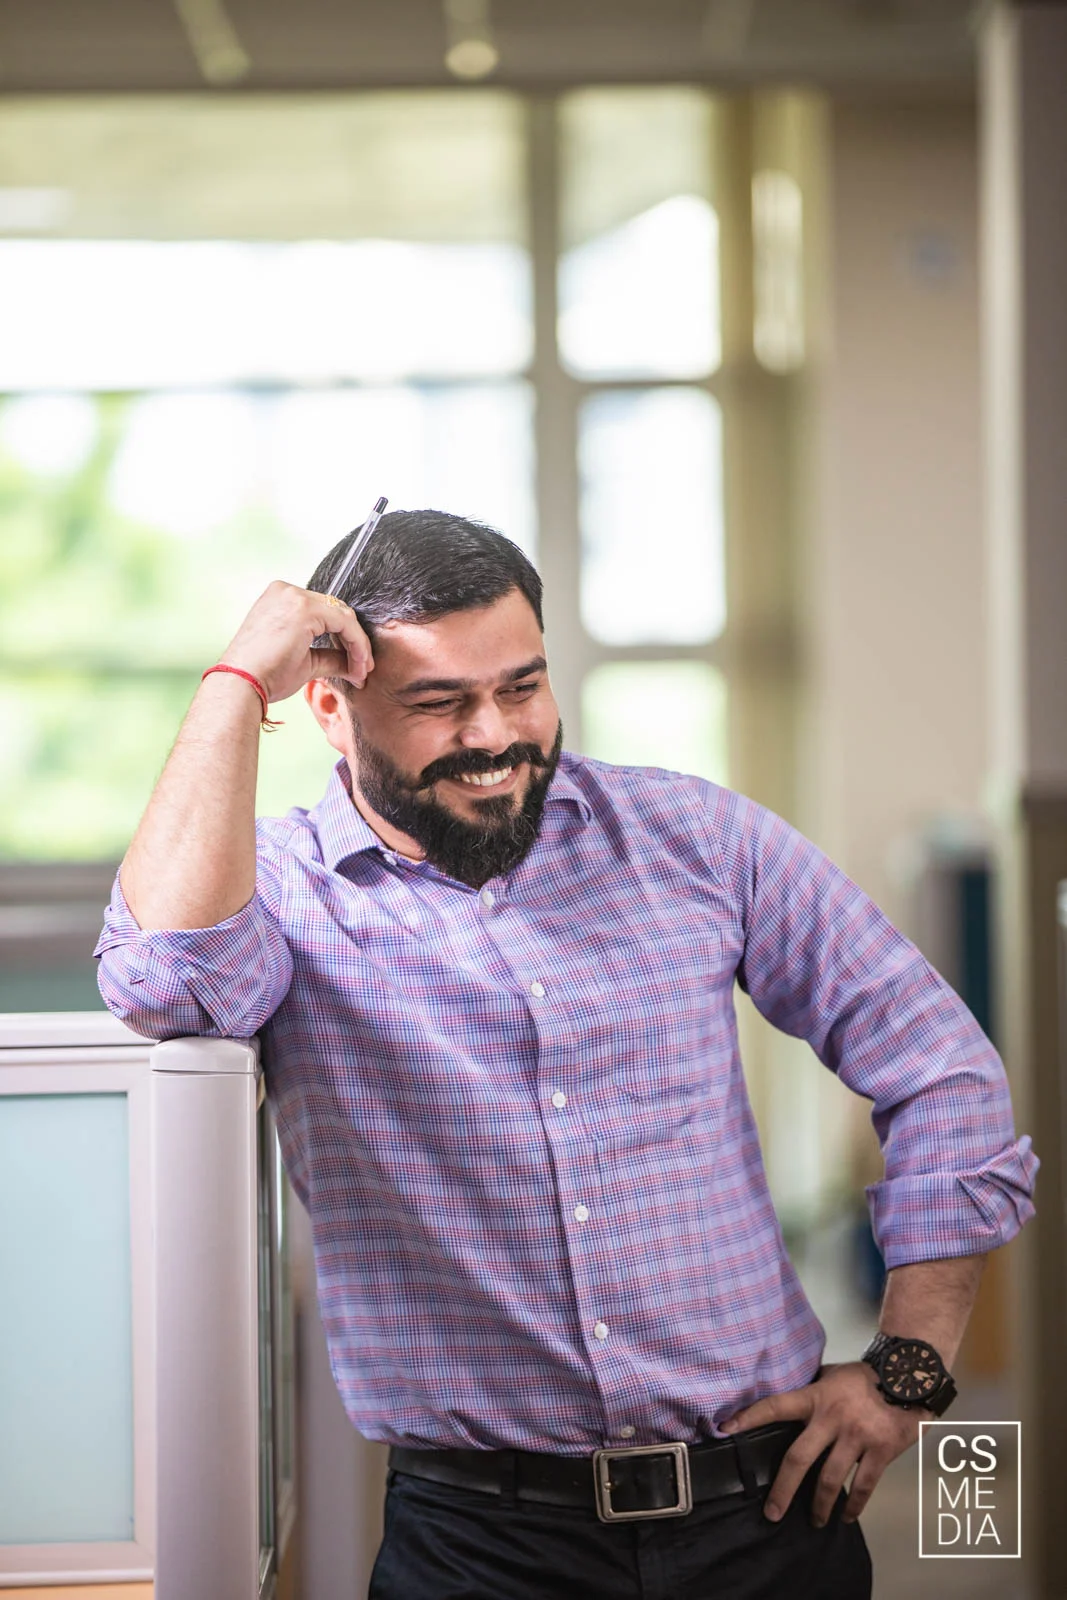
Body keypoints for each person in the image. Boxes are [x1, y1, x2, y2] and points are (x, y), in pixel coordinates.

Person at [95, 509, 1038, 1600]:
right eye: (439, 702)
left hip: (766, 1520)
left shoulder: (693, 838)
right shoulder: (285, 893)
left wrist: (904, 1370)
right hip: (480, 1549)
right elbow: (161, 982)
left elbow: (938, 1064)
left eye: (522, 685)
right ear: (329, 707)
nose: (494, 733)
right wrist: (229, 686)